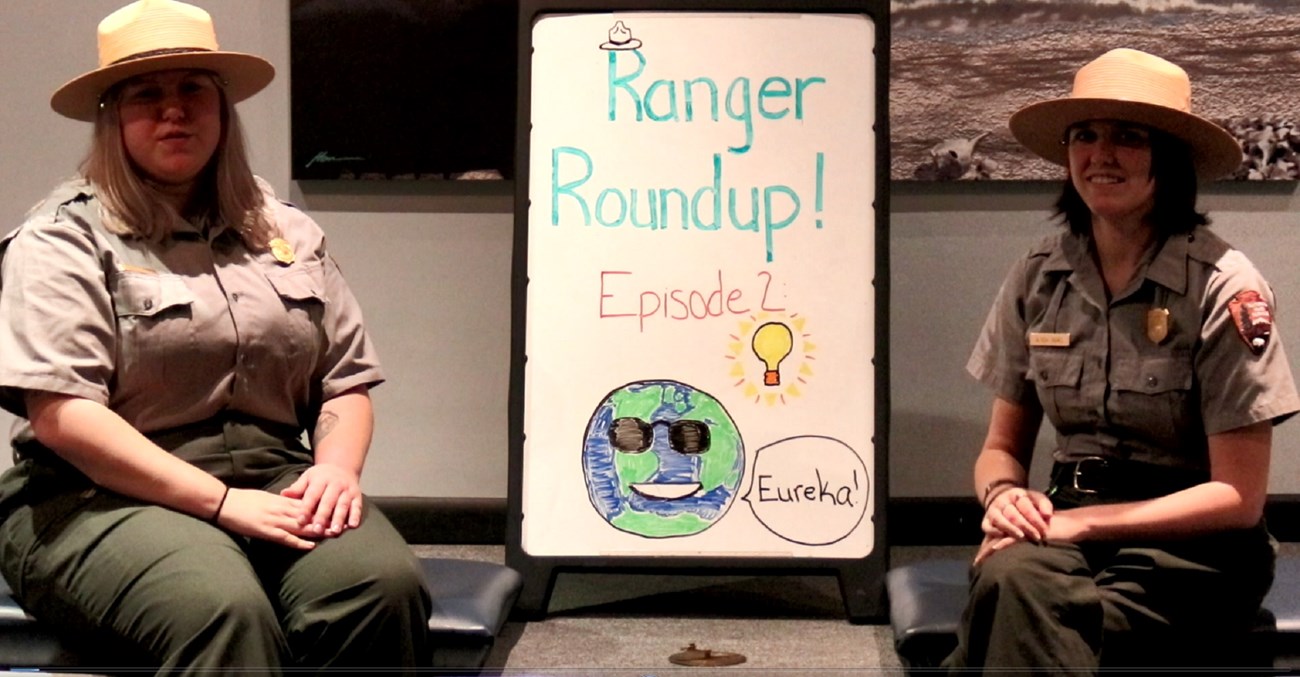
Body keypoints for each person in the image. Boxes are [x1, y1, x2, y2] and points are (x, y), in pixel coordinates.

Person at [0, 0, 432, 672]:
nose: (174, 110)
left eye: (193, 90)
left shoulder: (286, 231)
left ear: (223, 109)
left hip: (271, 474)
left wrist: (335, 471)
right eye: (147, 94)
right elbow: (64, 417)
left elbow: (345, 382)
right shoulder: (62, 238)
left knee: (379, 586)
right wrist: (223, 503)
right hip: (92, 494)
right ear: (112, 116)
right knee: (221, 607)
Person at [943, 48, 1300, 672]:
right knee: (1016, 579)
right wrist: (1003, 498)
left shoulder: (1224, 286)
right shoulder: (1039, 276)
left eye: (1128, 137)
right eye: (1085, 135)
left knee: (1013, 597)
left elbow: (1238, 497)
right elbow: (1001, 448)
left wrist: (1085, 526)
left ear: (1171, 157)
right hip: (1065, 523)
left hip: (1194, 552)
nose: (1100, 155)